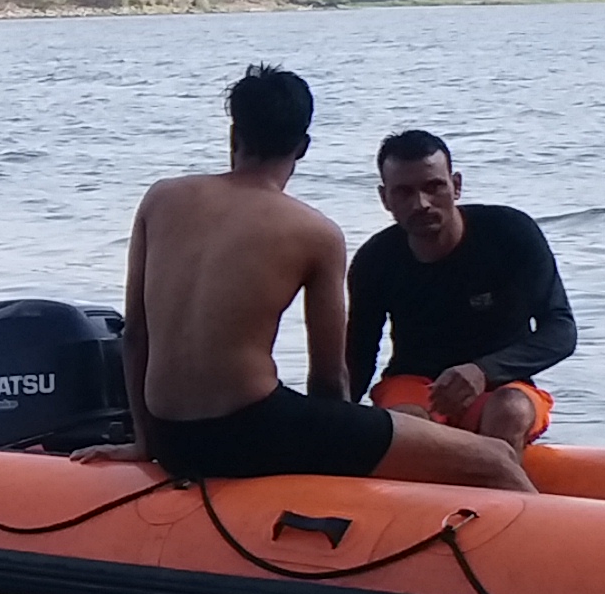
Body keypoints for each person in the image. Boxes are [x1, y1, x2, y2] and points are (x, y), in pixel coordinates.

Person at [111, 66, 532, 491]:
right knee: (494, 459)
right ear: (304, 147)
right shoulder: (315, 232)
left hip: (169, 437)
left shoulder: (161, 198)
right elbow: (329, 379)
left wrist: (146, 442)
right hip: (248, 433)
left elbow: (135, 336)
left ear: (234, 135)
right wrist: (341, 453)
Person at [346, 129, 579, 451]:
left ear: (456, 186)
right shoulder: (375, 260)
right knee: (408, 422)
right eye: (404, 192)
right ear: (385, 198)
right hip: (416, 387)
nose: (421, 203)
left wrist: (483, 371)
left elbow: (561, 331)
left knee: (509, 410)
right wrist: (325, 430)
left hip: (500, 386)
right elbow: (357, 359)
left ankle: (503, 499)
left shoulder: (510, 234)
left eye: (434, 187)